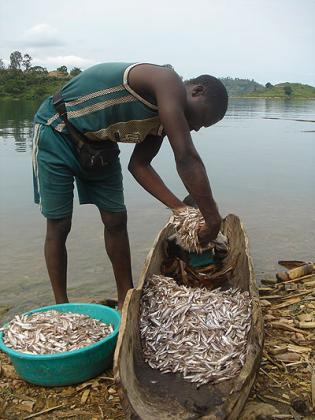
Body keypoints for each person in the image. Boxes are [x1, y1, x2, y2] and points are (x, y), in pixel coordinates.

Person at [32, 62, 228, 310]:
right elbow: (186, 157)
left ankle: (126, 299)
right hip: (57, 129)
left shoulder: (160, 123)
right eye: (203, 118)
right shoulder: (167, 81)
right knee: (59, 224)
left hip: (99, 145)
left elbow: (140, 166)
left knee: (116, 219)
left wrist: (181, 210)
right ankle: (60, 307)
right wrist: (213, 220)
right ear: (196, 91)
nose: (197, 127)